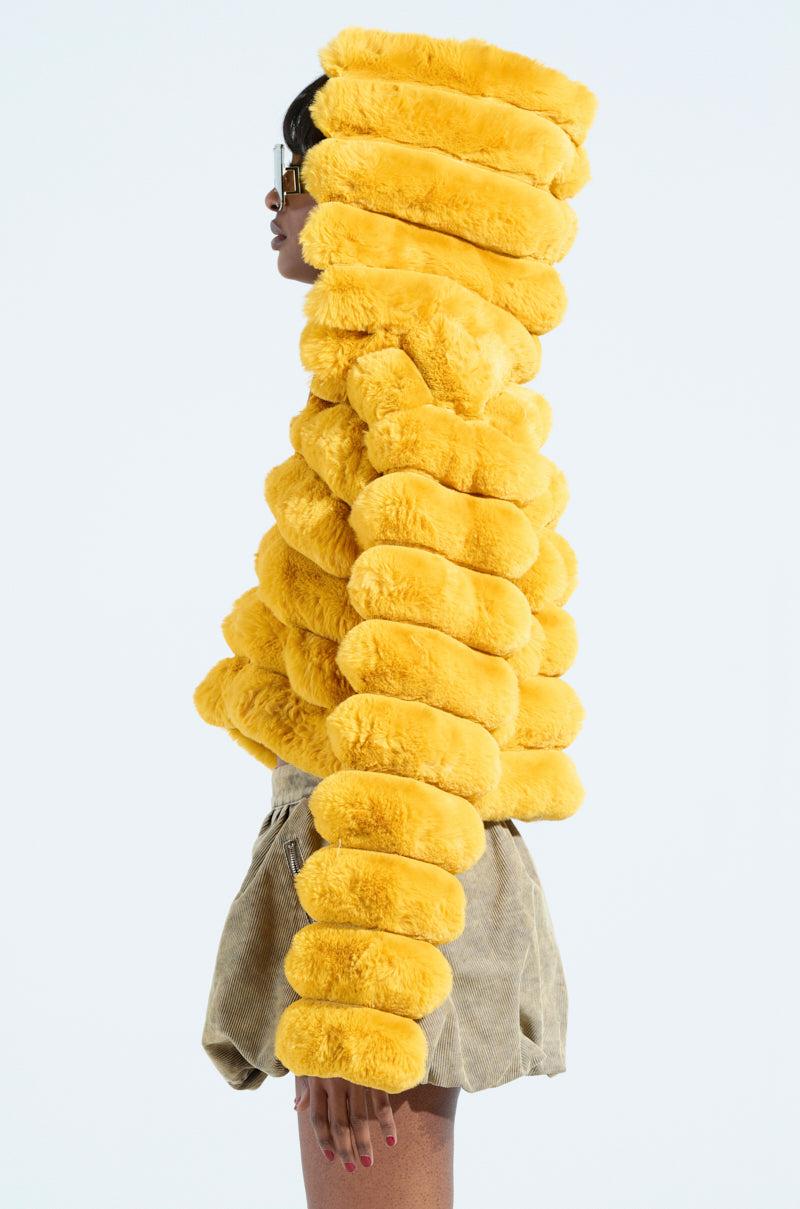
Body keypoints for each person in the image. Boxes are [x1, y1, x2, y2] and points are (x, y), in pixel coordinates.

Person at [199, 68, 575, 1209]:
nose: (274, 202)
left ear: (379, 186)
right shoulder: (414, 366)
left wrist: (364, 994)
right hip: (377, 855)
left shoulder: (416, 373)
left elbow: (426, 696)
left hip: (394, 875)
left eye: (295, 169)